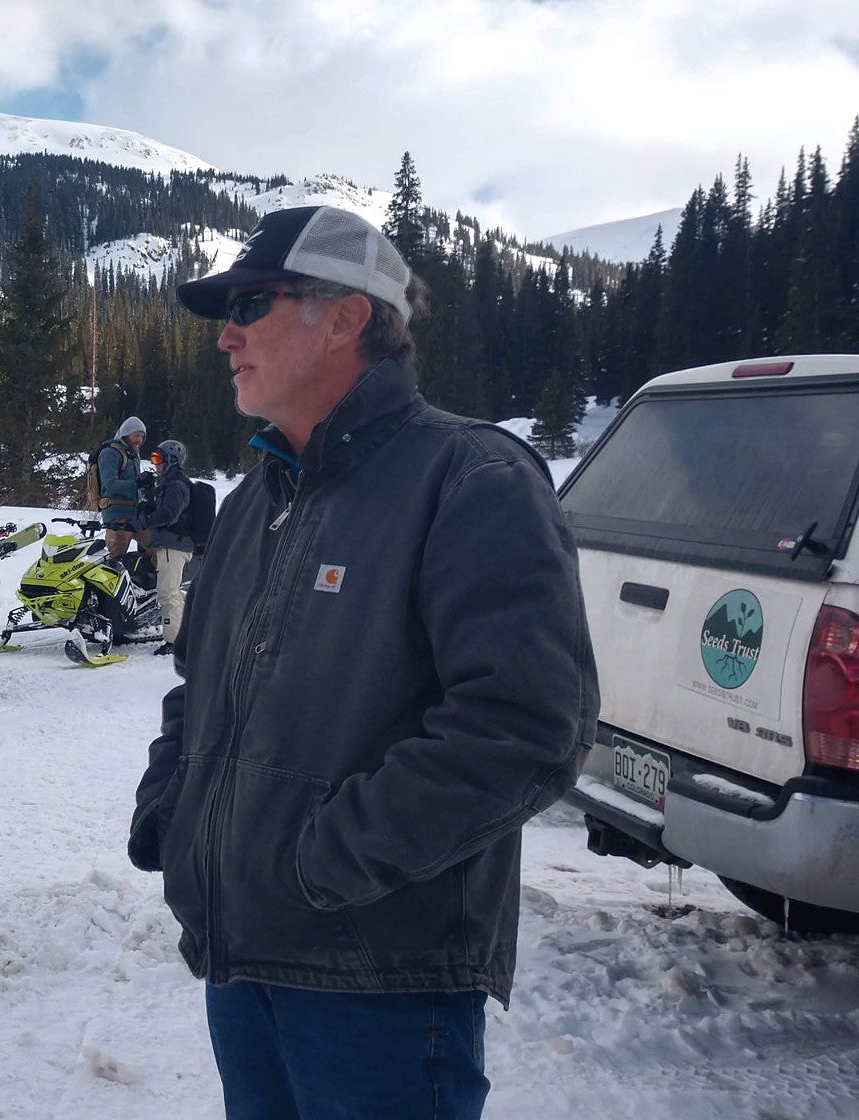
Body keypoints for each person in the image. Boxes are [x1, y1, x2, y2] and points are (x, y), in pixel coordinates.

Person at [127, 206, 598, 1119]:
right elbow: (200, 685)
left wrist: (321, 865)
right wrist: (170, 805)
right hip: (242, 959)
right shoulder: (257, 494)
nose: (224, 336)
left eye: (250, 305)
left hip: (377, 978)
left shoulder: (470, 479)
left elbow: (528, 726)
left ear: (346, 317)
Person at [137, 439, 215, 655]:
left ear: (171, 460)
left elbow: (170, 514)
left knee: (168, 593)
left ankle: (174, 643)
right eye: (153, 458)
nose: (155, 463)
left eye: (158, 458)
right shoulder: (168, 482)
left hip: (174, 546)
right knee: (173, 593)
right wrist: (146, 491)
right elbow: (158, 508)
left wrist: (145, 522)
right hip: (171, 544)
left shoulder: (176, 484)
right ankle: (182, 636)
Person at [96, 415, 149, 561]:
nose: (140, 439)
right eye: (136, 435)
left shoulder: (133, 454)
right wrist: (137, 484)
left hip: (137, 516)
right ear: (126, 434)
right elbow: (110, 485)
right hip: (117, 517)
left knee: (158, 550)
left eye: (142, 436)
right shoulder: (110, 453)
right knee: (115, 562)